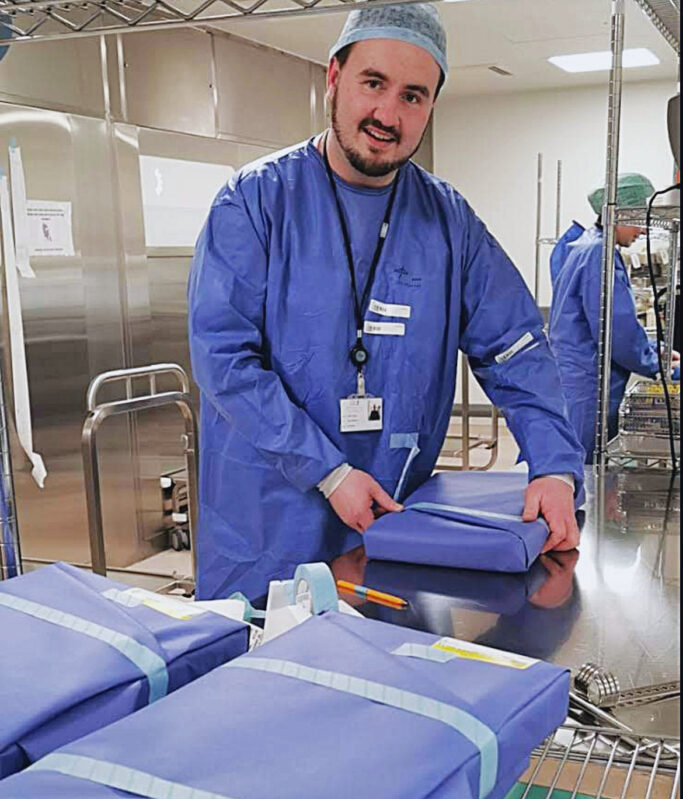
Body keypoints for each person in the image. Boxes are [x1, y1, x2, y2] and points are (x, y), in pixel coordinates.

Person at [189, 3, 585, 600]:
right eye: (373, 84)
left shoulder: (448, 222)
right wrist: (329, 470)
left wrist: (554, 465)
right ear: (334, 77)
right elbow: (224, 361)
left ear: (431, 106)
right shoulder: (255, 202)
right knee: (263, 677)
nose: (387, 114)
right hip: (267, 528)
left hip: (395, 526)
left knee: (388, 679)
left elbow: (516, 348)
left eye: (413, 96)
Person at [549, 173, 680, 463]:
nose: (643, 231)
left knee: (577, 458)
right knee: (581, 467)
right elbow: (615, 331)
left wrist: (654, 352)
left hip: (577, 373)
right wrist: (656, 364)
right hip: (587, 379)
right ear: (619, 215)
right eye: (638, 219)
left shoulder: (586, 245)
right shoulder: (599, 254)